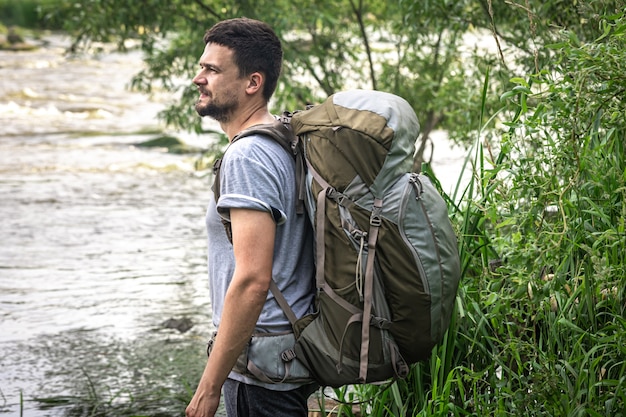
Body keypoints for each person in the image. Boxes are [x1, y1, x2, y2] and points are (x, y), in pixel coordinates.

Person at [186, 18, 317, 417]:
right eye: (201, 66)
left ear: (252, 83)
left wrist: (209, 386)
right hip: (286, 356)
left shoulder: (247, 156)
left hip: (260, 370)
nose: (198, 78)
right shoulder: (282, 138)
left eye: (212, 69)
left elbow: (253, 279)